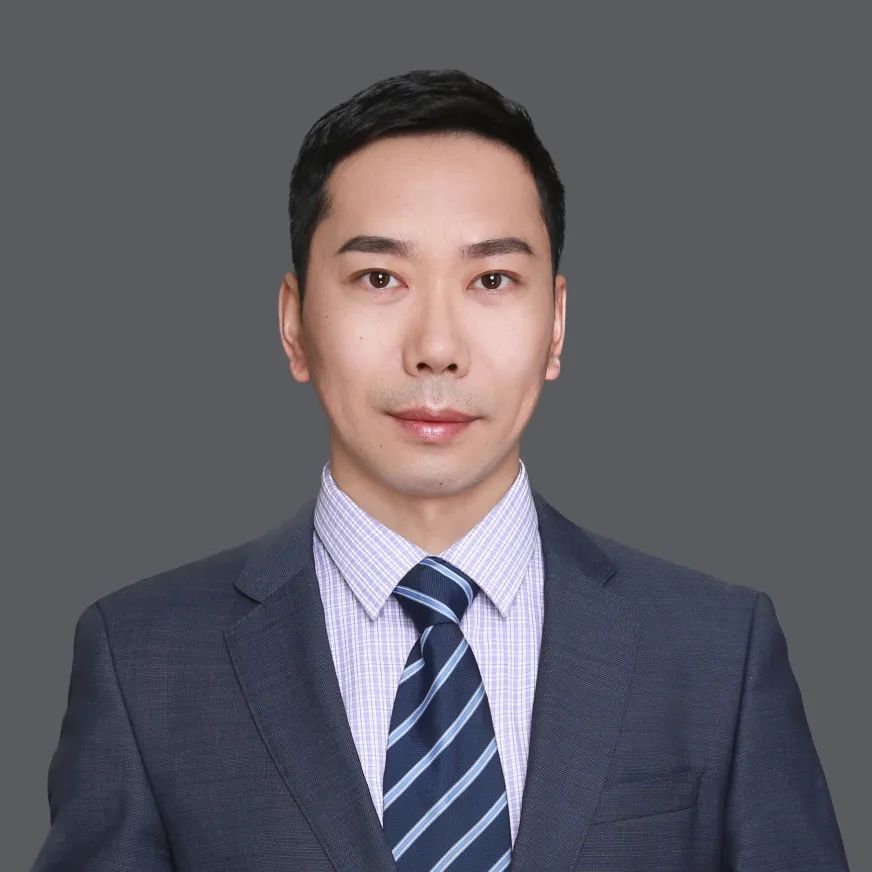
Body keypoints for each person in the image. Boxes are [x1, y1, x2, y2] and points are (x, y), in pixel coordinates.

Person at [32, 68, 849, 871]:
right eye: (379, 278)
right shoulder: (145, 660)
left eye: (492, 279)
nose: (436, 348)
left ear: (556, 324)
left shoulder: (717, 652)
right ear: (294, 324)